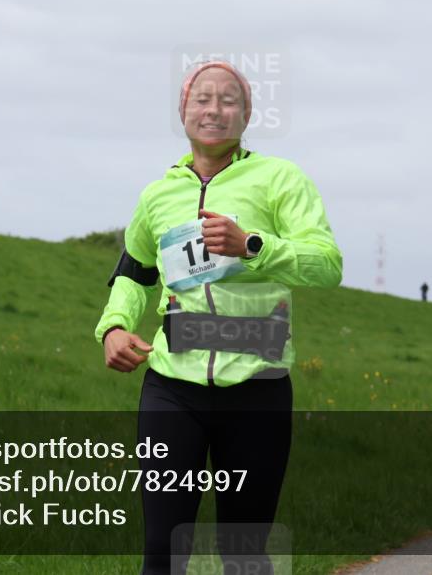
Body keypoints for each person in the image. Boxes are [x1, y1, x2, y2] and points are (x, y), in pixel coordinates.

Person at [95, 60, 342, 575]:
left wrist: (251, 245)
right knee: (162, 553)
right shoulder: (158, 195)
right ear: (184, 110)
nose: (214, 109)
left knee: (244, 555)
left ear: (247, 114)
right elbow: (135, 270)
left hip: (258, 389)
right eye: (202, 98)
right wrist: (115, 326)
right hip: (171, 388)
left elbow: (326, 264)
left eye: (228, 100)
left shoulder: (280, 179)